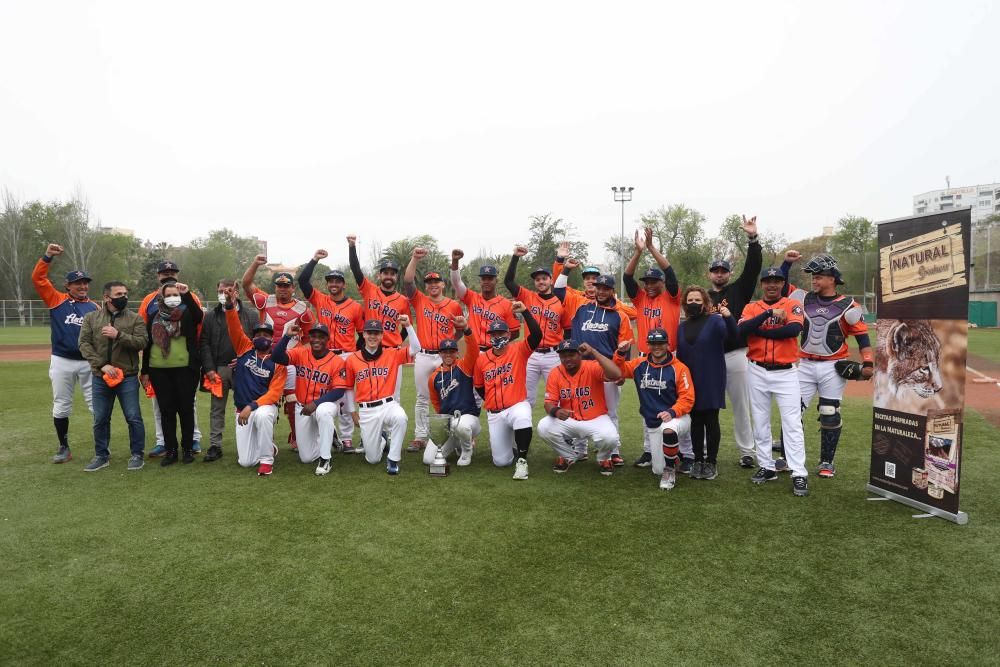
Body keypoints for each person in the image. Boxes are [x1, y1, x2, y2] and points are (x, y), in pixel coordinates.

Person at [780, 252, 874, 477]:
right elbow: (781, 286)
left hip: (833, 366)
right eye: (813, 276)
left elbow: (862, 337)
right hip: (804, 364)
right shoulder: (802, 298)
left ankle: (826, 462)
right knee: (792, 411)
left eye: (819, 276)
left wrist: (868, 362)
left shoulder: (849, 305)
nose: (814, 280)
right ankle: (787, 458)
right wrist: (787, 263)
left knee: (830, 412)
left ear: (832, 278)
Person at [737, 268, 808, 497]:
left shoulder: (791, 305)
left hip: (786, 373)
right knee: (760, 421)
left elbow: (793, 329)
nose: (772, 285)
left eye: (776, 281)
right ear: (762, 284)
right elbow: (742, 329)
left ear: (782, 284)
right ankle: (767, 466)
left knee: (792, 423)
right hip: (757, 370)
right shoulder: (752, 307)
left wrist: (760, 331)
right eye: (768, 281)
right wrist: (768, 316)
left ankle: (799, 473)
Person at [552, 266, 633, 465]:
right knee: (576, 409)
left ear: (613, 291)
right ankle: (580, 449)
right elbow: (558, 291)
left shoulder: (620, 315)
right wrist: (564, 268)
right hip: (579, 369)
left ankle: (613, 450)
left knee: (610, 411)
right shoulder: (580, 306)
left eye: (606, 288)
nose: (601, 291)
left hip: (605, 370)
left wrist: (620, 372)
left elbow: (625, 346)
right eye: (599, 287)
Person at [622, 229, 685, 469]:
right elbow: (628, 278)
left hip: (672, 358)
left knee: (674, 404)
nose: (648, 286)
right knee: (647, 405)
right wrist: (637, 253)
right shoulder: (640, 299)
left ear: (661, 283)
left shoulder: (671, 296)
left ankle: (680, 451)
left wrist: (650, 248)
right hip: (645, 359)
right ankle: (649, 451)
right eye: (646, 282)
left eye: (653, 282)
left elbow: (670, 272)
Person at [31, 243, 98, 463]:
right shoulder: (57, 299)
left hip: (88, 362)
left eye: (85, 283)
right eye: (78, 283)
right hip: (62, 360)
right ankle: (64, 447)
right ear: (67, 285)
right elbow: (39, 280)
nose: (82, 286)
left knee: (97, 405)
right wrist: (48, 256)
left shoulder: (95, 308)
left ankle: (101, 446)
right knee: (62, 403)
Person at [705, 216, 763, 469]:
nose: (719, 274)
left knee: (741, 404)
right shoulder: (701, 296)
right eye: (715, 270)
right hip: (708, 357)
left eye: (723, 271)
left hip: (735, 354)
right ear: (709, 274)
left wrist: (753, 239)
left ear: (729, 274)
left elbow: (752, 268)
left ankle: (747, 451)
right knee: (706, 406)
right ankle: (704, 448)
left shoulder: (738, 290)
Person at [241, 255, 315, 452]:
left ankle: (296, 436)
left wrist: (296, 352)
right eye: (279, 285)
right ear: (275, 287)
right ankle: (267, 438)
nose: (282, 289)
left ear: (292, 288)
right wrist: (256, 263)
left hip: (289, 361)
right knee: (264, 398)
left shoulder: (303, 310)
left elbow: (308, 336)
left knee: (293, 399)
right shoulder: (265, 301)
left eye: (286, 286)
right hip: (266, 360)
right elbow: (246, 283)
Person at [298, 249, 366, 453]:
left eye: (337, 281)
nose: (334, 284)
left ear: (344, 284)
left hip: (346, 354)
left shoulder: (354, 307)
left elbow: (362, 335)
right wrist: (314, 260)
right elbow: (302, 281)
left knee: (346, 398)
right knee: (325, 395)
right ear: (327, 284)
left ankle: (346, 438)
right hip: (324, 355)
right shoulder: (320, 299)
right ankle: (330, 434)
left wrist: (358, 357)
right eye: (330, 281)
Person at [78, 281, 148, 472]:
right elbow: (84, 344)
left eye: (125, 293)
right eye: (119, 294)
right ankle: (101, 455)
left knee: (133, 417)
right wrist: (102, 365)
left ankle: (137, 454)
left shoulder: (135, 319)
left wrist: (119, 335)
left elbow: (142, 342)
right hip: (101, 377)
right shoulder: (91, 318)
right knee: (100, 418)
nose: (124, 297)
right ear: (107, 297)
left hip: (127, 377)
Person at [614, 328, 695, 491]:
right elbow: (619, 371)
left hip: (677, 417)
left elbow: (687, 398)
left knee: (669, 430)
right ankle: (673, 458)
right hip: (653, 421)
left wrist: (672, 412)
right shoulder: (639, 365)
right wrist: (620, 354)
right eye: (653, 343)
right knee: (657, 469)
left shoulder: (679, 368)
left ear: (668, 345)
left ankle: (670, 470)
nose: (657, 347)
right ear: (648, 345)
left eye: (661, 343)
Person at [139, 260, 204, 457]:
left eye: (172, 272)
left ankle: (192, 440)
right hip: (159, 364)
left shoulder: (188, 296)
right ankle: (164, 443)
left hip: (185, 361)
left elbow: (198, 322)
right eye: (164, 272)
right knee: (161, 405)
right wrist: (146, 369)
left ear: (177, 275)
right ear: (158, 276)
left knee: (187, 404)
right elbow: (145, 333)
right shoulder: (149, 301)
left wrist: (194, 357)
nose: (168, 275)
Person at [341, 315, 421, 474]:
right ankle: (382, 439)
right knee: (373, 459)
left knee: (400, 417)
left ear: (381, 336)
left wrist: (408, 326)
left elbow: (416, 349)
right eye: (369, 332)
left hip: (388, 405)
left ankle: (393, 459)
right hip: (367, 410)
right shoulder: (352, 359)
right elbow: (349, 387)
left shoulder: (392, 353)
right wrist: (352, 413)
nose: (372, 336)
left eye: (376, 333)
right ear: (363, 334)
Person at [221, 286, 287, 476]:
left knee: (262, 415)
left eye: (266, 335)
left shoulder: (277, 361)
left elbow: (274, 393)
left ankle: (267, 460)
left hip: (263, 407)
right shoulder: (244, 348)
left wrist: (252, 406)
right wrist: (229, 304)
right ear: (253, 337)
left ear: (272, 339)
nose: (261, 338)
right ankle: (268, 447)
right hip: (242, 410)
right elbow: (234, 326)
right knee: (246, 462)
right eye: (258, 334)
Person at [402, 247, 464, 452]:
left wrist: (449, 347)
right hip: (423, 356)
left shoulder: (453, 305)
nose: (433, 285)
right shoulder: (420, 300)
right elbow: (408, 282)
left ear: (443, 285)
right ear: (426, 287)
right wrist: (414, 259)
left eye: (436, 282)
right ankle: (420, 436)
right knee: (422, 397)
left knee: (449, 395)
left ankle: (452, 435)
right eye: (429, 283)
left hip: (444, 357)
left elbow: (459, 331)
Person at [473, 301, 543, 480]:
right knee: (501, 461)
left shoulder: (518, 350)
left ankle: (522, 461)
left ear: (508, 334)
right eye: (493, 333)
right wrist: (491, 400)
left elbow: (537, 334)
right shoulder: (482, 360)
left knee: (522, 415)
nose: (497, 336)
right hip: (495, 413)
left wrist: (526, 312)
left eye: (501, 333)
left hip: (516, 405)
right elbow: (480, 387)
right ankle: (511, 444)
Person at [675, 285, 737, 481]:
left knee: (710, 421)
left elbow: (734, 335)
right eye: (690, 300)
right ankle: (698, 460)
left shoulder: (715, 321)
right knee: (695, 422)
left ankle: (711, 462)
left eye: (698, 300)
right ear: (685, 303)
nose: (694, 303)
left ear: (705, 303)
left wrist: (729, 317)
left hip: (711, 378)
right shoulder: (682, 326)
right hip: (689, 381)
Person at [537, 340, 623, 476]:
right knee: (543, 426)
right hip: (570, 421)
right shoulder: (555, 373)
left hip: (596, 418)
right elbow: (548, 403)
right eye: (563, 356)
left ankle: (603, 458)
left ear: (580, 354)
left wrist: (594, 352)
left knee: (611, 437)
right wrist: (556, 411)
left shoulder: (592, 367)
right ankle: (567, 456)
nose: (567, 359)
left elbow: (616, 374)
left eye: (571, 354)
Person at [198, 279, 258, 462]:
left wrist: (247, 361)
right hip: (220, 368)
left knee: (248, 406)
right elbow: (204, 343)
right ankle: (215, 445)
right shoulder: (210, 316)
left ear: (236, 292)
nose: (224, 294)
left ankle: (251, 442)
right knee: (217, 409)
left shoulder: (251, 315)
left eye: (228, 290)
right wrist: (209, 368)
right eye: (220, 290)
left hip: (245, 368)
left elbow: (258, 341)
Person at [347, 234, 410, 399]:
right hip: (369, 349)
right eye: (385, 273)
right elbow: (355, 269)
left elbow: (406, 328)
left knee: (393, 396)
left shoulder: (403, 301)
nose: (389, 276)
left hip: (391, 352)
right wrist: (352, 247)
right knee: (370, 393)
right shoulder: (369, 290)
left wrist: (396, 339)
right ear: (379, 275)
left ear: (396, 277)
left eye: (392, 273)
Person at [504, 245, 566, 410]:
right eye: (537, 279)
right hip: (530, 354)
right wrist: (515, 257)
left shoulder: (561, 302)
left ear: (551, 280)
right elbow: (508, 281)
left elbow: (567, 328)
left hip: (553, 355)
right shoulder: (527, 296)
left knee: (557, 397)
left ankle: (562, 433)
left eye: (544, 278)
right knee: (526, 397)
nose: (540, 281)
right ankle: (524, 429)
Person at [425, 315, 480, 467]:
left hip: (468, 419)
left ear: (457, 353)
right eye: (445, 351)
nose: (448, 354)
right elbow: (436, 403)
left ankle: (467, 449)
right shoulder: (434, 377)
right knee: (429, 459)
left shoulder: (464, 366)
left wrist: (466, 330)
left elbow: (474, 350)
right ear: (440, 354)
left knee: (460, 426)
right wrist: (443, 421)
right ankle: (458, 442)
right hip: (449, 423)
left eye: (451, 351)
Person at [450, 249, 519, 351]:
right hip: (474, 350)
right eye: (484, 279)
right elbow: (457, 283)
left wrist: (499, 344)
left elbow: (515, 332)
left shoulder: (507, 304)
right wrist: (455, 261)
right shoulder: (472, 297)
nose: (486, 281)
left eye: (490, 279)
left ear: (496, 281)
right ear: (480, 281)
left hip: (494, 351)